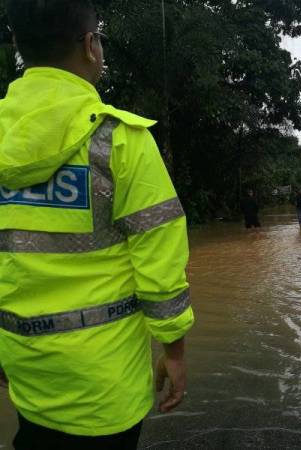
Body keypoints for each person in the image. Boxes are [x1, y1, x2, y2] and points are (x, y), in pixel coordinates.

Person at [0, 1, 195, 448]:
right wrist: (175, 351)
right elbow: (160, 268)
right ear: (90, 46)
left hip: (22, 367)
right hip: (105, 388)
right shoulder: (120, 140)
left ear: (19, 46)